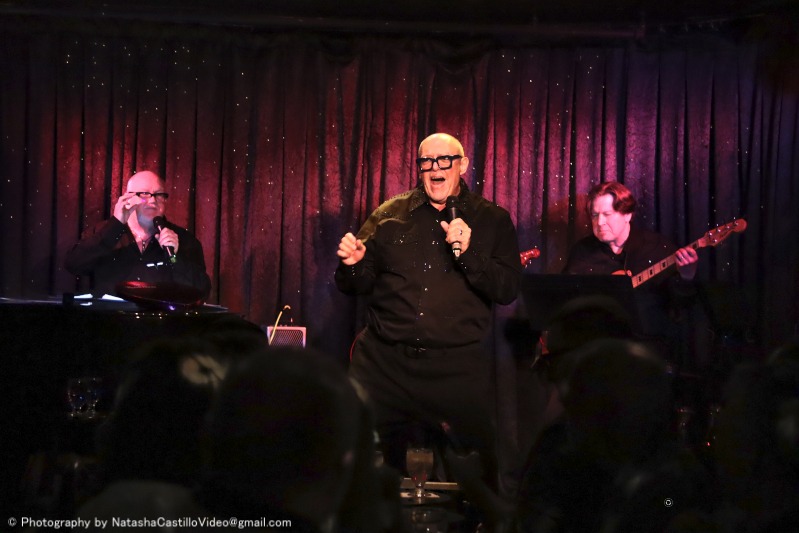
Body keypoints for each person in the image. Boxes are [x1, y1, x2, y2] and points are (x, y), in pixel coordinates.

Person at [334, 132, 522, 491]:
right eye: (426, 161)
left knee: (476, 475)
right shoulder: (389, 214)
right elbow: (355, 284)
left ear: (462, 165)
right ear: (419, 167)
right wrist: (354, 265)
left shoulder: (492, 219)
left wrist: (469, 253)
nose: (435, 168)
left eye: (444, 160)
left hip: (456, 368)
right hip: (385, 366)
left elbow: (507, 289)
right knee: (360, 463)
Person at [562, 181, 699, 364]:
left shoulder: (658, 248)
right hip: (595, 349)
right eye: (594, 215)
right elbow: (565, 301)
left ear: (627, 214)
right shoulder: (582, 251)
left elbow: (681, 307)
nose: (600, 222)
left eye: (607, 214)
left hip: (647, 351)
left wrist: (686, 277)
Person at [64, 170, 211, 299]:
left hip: (160, 320)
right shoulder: (103, 232)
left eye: (159, 195)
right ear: (127, 198)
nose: (152, 200)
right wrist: (114, 227)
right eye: (144, 194)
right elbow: (74, 265)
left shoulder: (183, 240)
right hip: (111, 319)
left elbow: (201, 291)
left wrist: (175, 258)